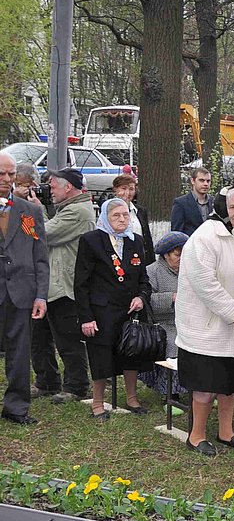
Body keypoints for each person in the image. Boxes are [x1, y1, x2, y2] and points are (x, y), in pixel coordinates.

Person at [176, 188, 234, 456]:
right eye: (233, 208)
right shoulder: (204, 237)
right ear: (220, 208)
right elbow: (205, 283)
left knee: (229, 384)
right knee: (205, 386)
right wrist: (232, 312)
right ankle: (196, 435)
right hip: (206, 327)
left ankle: (226, 431)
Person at [74, 198, 153, 419]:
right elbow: (81, 283)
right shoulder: (91, 241)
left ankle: (132, 398)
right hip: (101, 311)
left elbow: (144, 279)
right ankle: (98, 402)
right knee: (100, 356)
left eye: (125, 215)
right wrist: (86, 317)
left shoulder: (135, 241)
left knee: (131, 353)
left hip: (130, 310)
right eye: (116, 215)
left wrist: (141, 297)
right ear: (105, 218)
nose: (121, 219)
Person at [0, 152, 48, 425]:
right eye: (1, 175)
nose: (7, 180)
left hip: (22, 293)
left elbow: (38, 254)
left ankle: (16, 408)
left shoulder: (28, 212)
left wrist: (40, 294)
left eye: (11, 174)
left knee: (19, 353)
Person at [44, 168, 95, 404]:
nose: (50, 189)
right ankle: (47, 381)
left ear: (68, 187)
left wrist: (31, 213)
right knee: (43, 337)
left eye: (53, 185)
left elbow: (43, 234)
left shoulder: (77, 211)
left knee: (67, 339)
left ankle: (76, 386)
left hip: (66, 286)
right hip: (54, 283)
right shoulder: (68, 208)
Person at [137, 231, 187, 400]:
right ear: (166, 254)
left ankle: (203, 391)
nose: (181, 259)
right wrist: (172, 297)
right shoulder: (152, 271)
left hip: (187, 321)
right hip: (162, 322)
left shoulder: (190, 270)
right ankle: (171, 394)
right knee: (174, 343)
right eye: (177, 254)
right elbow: (147, 299)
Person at [111, 174, 155, 263]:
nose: (127, 193)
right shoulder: (109, 211)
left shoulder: (140, 211)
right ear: (115, 190)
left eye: (131, 189)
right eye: (123, 188)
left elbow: (147, 238)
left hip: (140, 258)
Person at [171, 168, 214, 235]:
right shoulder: (180, 203)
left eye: (208, 181)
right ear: (193, 181)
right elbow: (176, 234)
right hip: (190, 244)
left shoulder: (214, 203)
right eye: (201, 180)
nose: (206, 184)